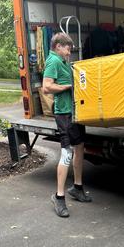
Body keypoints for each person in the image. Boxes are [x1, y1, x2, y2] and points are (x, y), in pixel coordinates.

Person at [43, 32, 90, 218]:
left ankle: (77, 188)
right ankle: (59, 197)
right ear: (58, 46)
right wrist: (68, 87)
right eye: (67, 48)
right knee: (67, 152)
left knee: (80, 147)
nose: (70, 51)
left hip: (74, 111)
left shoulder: (63, 62)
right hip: (64, 113)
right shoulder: (53, 61)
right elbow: (47, 87)